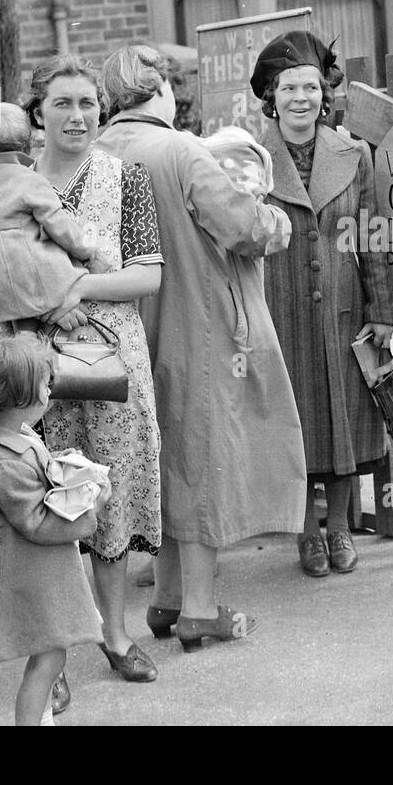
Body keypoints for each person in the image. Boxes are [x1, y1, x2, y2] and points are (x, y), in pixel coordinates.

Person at [94, 44, 304, 650]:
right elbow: (242, 226)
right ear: (159, 89)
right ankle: (200, 609)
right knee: (201, 456)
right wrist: (277, 222)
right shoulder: (180, 149)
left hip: (120, 328)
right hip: (197, 322)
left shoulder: (95, 153)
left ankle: (162, 600)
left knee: (154, 457)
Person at [16, 54, 165, 689]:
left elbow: (148, 275)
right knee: (41, 498)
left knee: (103, 496)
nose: (77, 116)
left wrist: (77, 287)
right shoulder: (11, 185)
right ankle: (52, 653)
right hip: (33, 361)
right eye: (62, 104)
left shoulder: (124, 179)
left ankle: (115, 631)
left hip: (111, 360)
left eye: (87, 104)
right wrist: (46, 301)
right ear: (37, 115)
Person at [253, 30, 393, 577]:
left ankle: (338, 527)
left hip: (343, 310)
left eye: (310, 87)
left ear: (324, 92)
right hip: (277, 311)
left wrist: (382, 312)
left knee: (342, 418)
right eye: (288, 87)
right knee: (294, 423)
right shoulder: (251, 159)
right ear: (271, 95)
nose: (300, 99)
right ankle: (304, 534)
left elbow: (374, 238)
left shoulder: (353, 154)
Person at [0, 334, 108, 726]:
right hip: (23, 571)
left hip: (26, 567)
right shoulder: (6, 461)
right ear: (21, 397)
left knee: (49, 654)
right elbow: (36, 522)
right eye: (44, 385)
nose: (49, 392)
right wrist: (91, 506)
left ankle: (41, 722)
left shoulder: (4, 433)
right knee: (50, 655)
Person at [0, 103, 108, 326]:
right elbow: (60, 226)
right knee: (45, 264)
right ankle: (44, 322)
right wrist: (88, 253)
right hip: (26, 282)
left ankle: (21, 338)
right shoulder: (30, 181)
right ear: (28, 145)